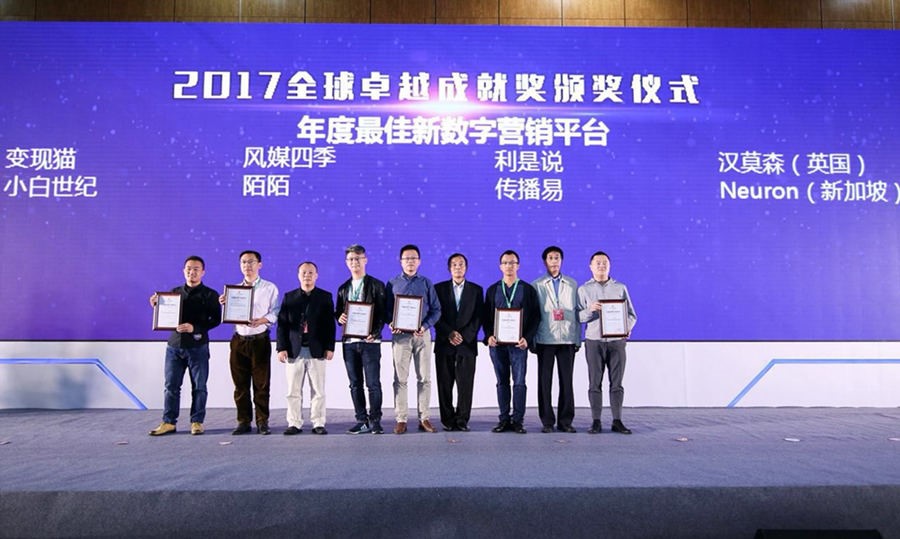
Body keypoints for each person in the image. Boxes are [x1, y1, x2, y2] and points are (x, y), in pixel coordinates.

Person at [148, 256, 221, 436]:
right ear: (183, 271)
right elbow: (166, 316)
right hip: (174, 346)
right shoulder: (173, 293)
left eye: (196, 269)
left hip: (198, 346)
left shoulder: (210, 295)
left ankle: (197, 422)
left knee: (199, 386)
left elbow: (216, 320)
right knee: (171, 386)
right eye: (188, 268)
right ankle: (168, 422)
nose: (192, 272)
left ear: (203, 272)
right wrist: (157, 306)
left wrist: (195, 328)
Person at [577, 251, 637, 435]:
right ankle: (596, 421)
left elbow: (631, 314)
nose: (601, 265)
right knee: (594, 382)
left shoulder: (620, 288)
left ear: (609, 266)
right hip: (594, 341)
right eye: (598, 263)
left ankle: (617, 420)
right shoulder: (584, 289)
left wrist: (626, 328)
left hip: (616, 341)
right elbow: (578, 317)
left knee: (617, 383)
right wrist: (590, 310)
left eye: (605, 263)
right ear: (591, 266)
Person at [222, 250, 280, 435]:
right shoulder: (233, 291)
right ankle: (243, 421)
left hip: (260, 340)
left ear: (259, 265)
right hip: (239, 341)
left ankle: (262, 421)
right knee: (240, 385)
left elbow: (276, 312)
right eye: (244, 262)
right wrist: (225, 303)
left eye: (251, 262)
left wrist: (261, 321)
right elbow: (230, 314)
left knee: (262, 385)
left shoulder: (269, 288)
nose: (247, 265)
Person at [385, 244, 441, 434]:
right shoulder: (392, 283)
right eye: (407, 258)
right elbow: (386, 310)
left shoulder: (426, 283)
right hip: (400, 337)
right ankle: (401, 419)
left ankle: (424, 418)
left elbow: (436, 310)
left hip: (422, 335)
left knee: (424, 378)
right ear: (400, 261)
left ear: (419, 261)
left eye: (414, 258)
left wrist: (424, 326)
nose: (410, 261)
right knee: (400, 378)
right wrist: (390, 322)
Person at [482, 249, 540, 434]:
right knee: (502, 382)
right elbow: (486, 317)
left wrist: (527, 339)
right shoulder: (492, 290)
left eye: (512, 263)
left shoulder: (527, 289)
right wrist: (488, 336)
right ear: (500, 266)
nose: (509, 266)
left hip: (519, 345)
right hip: (497, 345)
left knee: (519, 382)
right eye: (505, 263)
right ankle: (504, 419)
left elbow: (536, 317)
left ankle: (518, 421)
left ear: (518, 266)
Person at [276, 261, 336, 436]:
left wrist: (330, 347)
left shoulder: (325, 297)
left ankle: (318, 422)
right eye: (303, 272)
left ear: (316, 275)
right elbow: (282, 325)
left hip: (317, 350)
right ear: (298, 275)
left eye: (310, 273)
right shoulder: (289, 297)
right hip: (294, 350)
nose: (307, 276)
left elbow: (330, 326)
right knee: (293, 391)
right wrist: (281, 348)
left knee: (318, 390)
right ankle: (294, 423)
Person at [335, 244, 387, 435]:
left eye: (358, 258)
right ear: (346, 262)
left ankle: (376, 420)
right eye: (351, 259)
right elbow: (338, 312)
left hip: (370, 342)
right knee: (355, 384)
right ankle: (361, 420)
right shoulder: (343, 288)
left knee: (373, 384)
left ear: (365, 260)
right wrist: (339, 317)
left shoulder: (377, 285)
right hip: (349, 343)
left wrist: (376, 331)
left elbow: (382, 313)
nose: (354, 262)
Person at [532, 246, 580, 433]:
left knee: (567, 382)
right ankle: (547, 421)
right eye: (551, 258)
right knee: (544, 382)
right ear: (545, 261)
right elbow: (534, 315)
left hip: (567, 338)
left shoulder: (572, 284)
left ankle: (565, 421)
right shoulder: (537, 285)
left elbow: (576, 313)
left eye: (557, 257)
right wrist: (534, 340)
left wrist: (577, 339)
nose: (554, 261)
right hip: (545, 338)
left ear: (561, 261)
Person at [433, 253, 483, 432]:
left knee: (465, 384)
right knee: (444, 384)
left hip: (467, 344)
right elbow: (435, 314)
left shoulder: (476, 290)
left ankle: (462, 420)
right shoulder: (438, 289)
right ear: (449, 268)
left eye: (461, 264)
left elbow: (479, 316)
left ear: (466, 267)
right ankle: (447, 420)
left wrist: (464, 335)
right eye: (454, 264)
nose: (458, 267)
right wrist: (449, 333)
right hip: (444, 343)